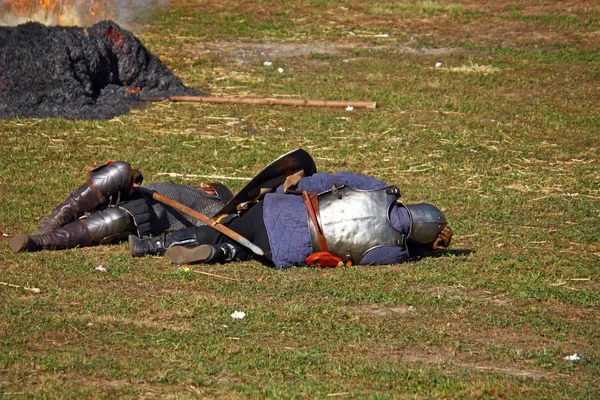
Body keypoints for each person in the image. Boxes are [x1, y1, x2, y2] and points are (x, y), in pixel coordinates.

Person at [128, 170, 453, 268]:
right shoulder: (394, 251)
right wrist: (425, 251)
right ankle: (222, 254)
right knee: (245, 248)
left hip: (274, 211)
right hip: (284, 254)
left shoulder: (382, 190)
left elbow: (328, 180)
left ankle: (150, 245)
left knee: (220, 229)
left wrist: (293, 185)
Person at [10, 161, 233, 253]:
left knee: (116, 220)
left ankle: (39, 242)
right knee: (121, 170)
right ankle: (52, 222)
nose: (206, 192)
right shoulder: (180, 188)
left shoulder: (214, 213)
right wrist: (134, 179)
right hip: (133, 195)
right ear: (205, 186)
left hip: (140, 218)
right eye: (209, 190)